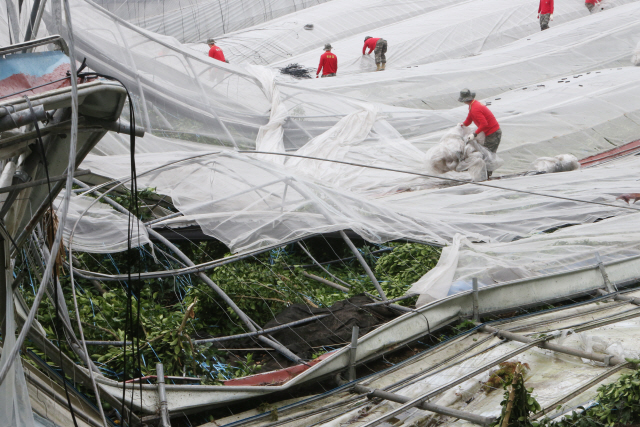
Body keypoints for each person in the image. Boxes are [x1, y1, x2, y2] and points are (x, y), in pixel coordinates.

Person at [458, 88, 501, 176]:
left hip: (493, 133)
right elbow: (469, 120)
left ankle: (486, 177)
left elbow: (484, 124)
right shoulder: (472, 106)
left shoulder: (475, 108)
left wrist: (474, 134)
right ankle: (484, 175)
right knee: (485, 154)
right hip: (489, 133)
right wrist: (461, 125)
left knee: (488, 156)